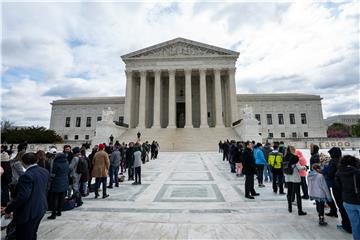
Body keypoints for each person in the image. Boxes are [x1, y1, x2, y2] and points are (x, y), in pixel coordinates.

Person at [3, 152, 49, 240]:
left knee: (24, 235)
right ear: (37, 160)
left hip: (28, 212)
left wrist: (8, 210)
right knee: (32, 233)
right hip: (41, 207)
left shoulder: (26, 176)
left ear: (23, 162)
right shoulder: (44, 171)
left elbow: (22, 197)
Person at [335, 155, 360, 240]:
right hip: (358, 201)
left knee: (354, 224)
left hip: (347, 201)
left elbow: (338, 186)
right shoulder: (357, 172)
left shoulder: (339, 173)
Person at [328, 148, 352, 233]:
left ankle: (346, 225)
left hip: (337, 186)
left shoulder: (332, 162)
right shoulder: (343, 161)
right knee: (347, 206)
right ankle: (351, 224)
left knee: (341, 206)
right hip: (346, 186)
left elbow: (330, 174)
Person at [284, 146, 307, 216]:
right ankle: (300, 210)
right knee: (298, 194)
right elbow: (299, 167)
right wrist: (305, 167)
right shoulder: (295, 157)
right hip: (295, 177)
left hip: (288, 177)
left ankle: (289, 207)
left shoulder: (284, 157)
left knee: (289, 193)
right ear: (293, 150)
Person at [48, 152, 69, 219]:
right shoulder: (66, 163)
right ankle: (59, 211)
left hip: (57, 182)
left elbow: (53, 174)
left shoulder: (56, 163)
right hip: (65, 181)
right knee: (61, 198)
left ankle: (53, 214)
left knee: (55, 198)